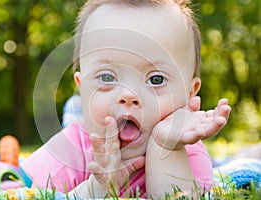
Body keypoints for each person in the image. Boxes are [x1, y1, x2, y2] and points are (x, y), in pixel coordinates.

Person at [21, 0, 231, 198]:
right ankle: (72, 110)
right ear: (82, 89)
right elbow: (37, 196)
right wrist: (99, 187)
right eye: (107, 77)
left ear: (189, 93)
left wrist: (164, 148)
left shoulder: (186, 150)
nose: (129, 95)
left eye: (156, 79)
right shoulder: (69, 149)